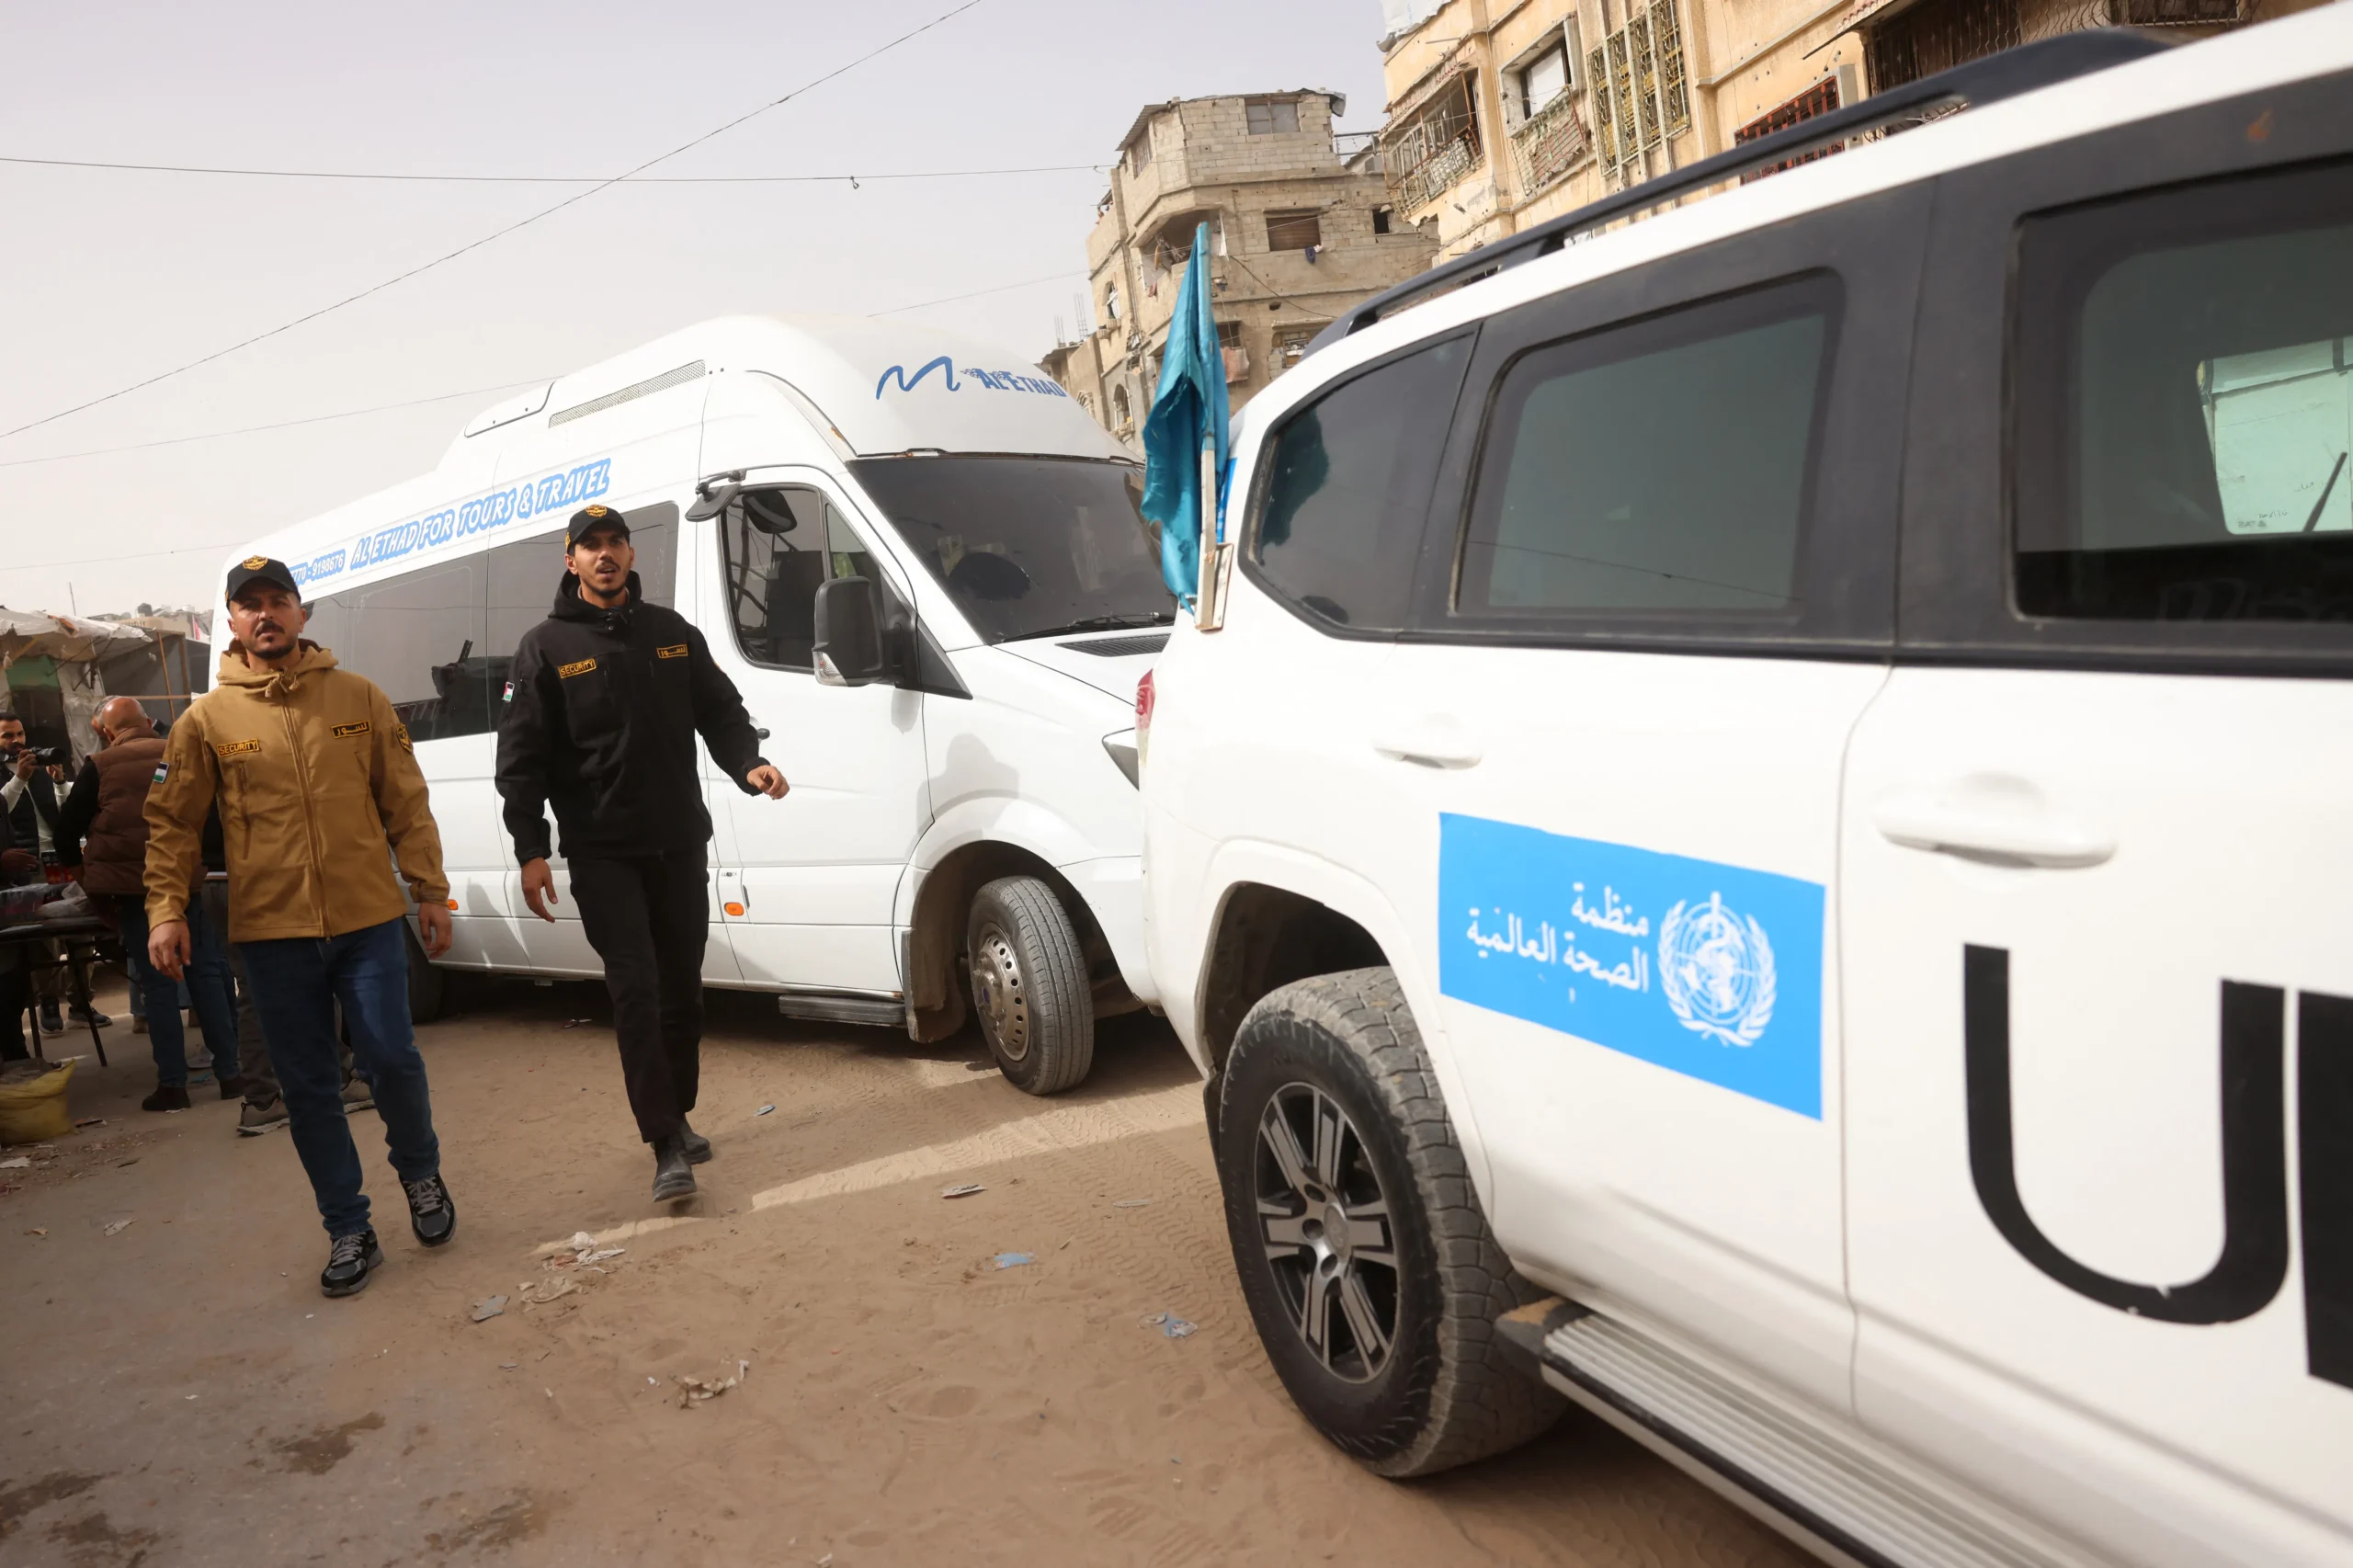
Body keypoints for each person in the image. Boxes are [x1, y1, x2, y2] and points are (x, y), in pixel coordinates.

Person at [144, 556, 459, 1298]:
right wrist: (165, 910)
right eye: (249, 604)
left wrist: (429, 890)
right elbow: (172, 823)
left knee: (392, 1060)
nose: (266, 614)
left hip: (367, 919)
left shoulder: (358, 697)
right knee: (309, 1086)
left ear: (300, 612)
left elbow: (405, 799)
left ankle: (420, 1174)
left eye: (277, 600)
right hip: (272, 933)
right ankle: (348, 1227)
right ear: (232, 620)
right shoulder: (206, 722)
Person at [496, 504, 787, 1203]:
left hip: (678, 842)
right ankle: (663, 1144)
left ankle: (676, 1113)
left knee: (683, 989)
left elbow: (720, 710)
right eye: (590, 545)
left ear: (631, 554)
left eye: (615, 542)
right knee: (636, 990)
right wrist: (531, 848)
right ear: (570, 560)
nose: (604, 554)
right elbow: (521, 760)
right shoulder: (545, 648)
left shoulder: (671, 633)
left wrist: (748, 762)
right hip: (603, 852)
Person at [54, 697, 243, 1108]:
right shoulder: (181, 752)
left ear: (106, 732)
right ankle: (231, 1075)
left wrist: (89, 880)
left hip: (135, 891)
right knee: (207, 976)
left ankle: (173, 1086)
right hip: (189, 882)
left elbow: (65, 833)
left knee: (158, 985)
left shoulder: (100, 765)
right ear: (147, 721)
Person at [1, 710, 108, 1034]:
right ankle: (48, 1002)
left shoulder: (40, 768)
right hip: (27, 867)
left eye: (20, 734)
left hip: (62, 860)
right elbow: (1, 809)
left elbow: (67, 812)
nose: (17, 741)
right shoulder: (14, 774)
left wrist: (60, 781)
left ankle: (81, 1001)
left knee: (82, 932)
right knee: (44, 941)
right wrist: (19, 778)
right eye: (7, 735)